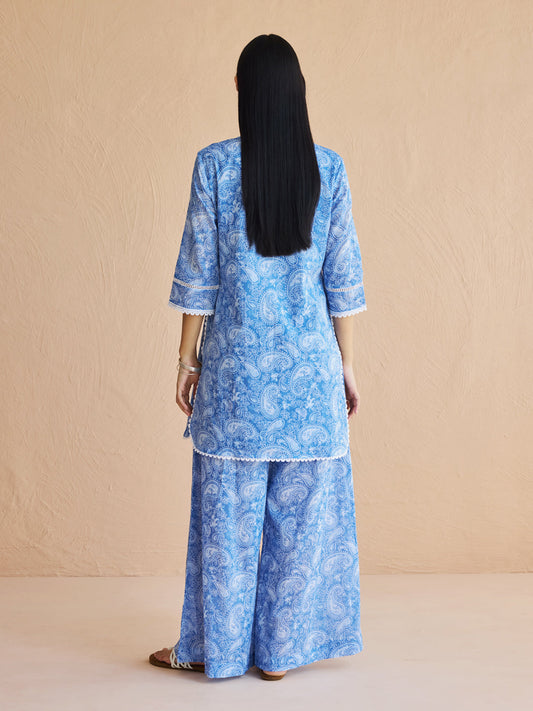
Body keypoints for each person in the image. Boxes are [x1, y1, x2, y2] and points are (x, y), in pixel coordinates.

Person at [149, 34, 367, 681]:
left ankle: (213, 651)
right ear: (298, 94)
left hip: (235, 383)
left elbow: (200, 276)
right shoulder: (329, 170)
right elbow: (342, 283)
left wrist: (186, 360)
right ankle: (278, 656)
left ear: (242, 91)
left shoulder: (214, 166)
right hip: (310, 382)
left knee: (226, 529)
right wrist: (346, 366)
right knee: (300, 526)